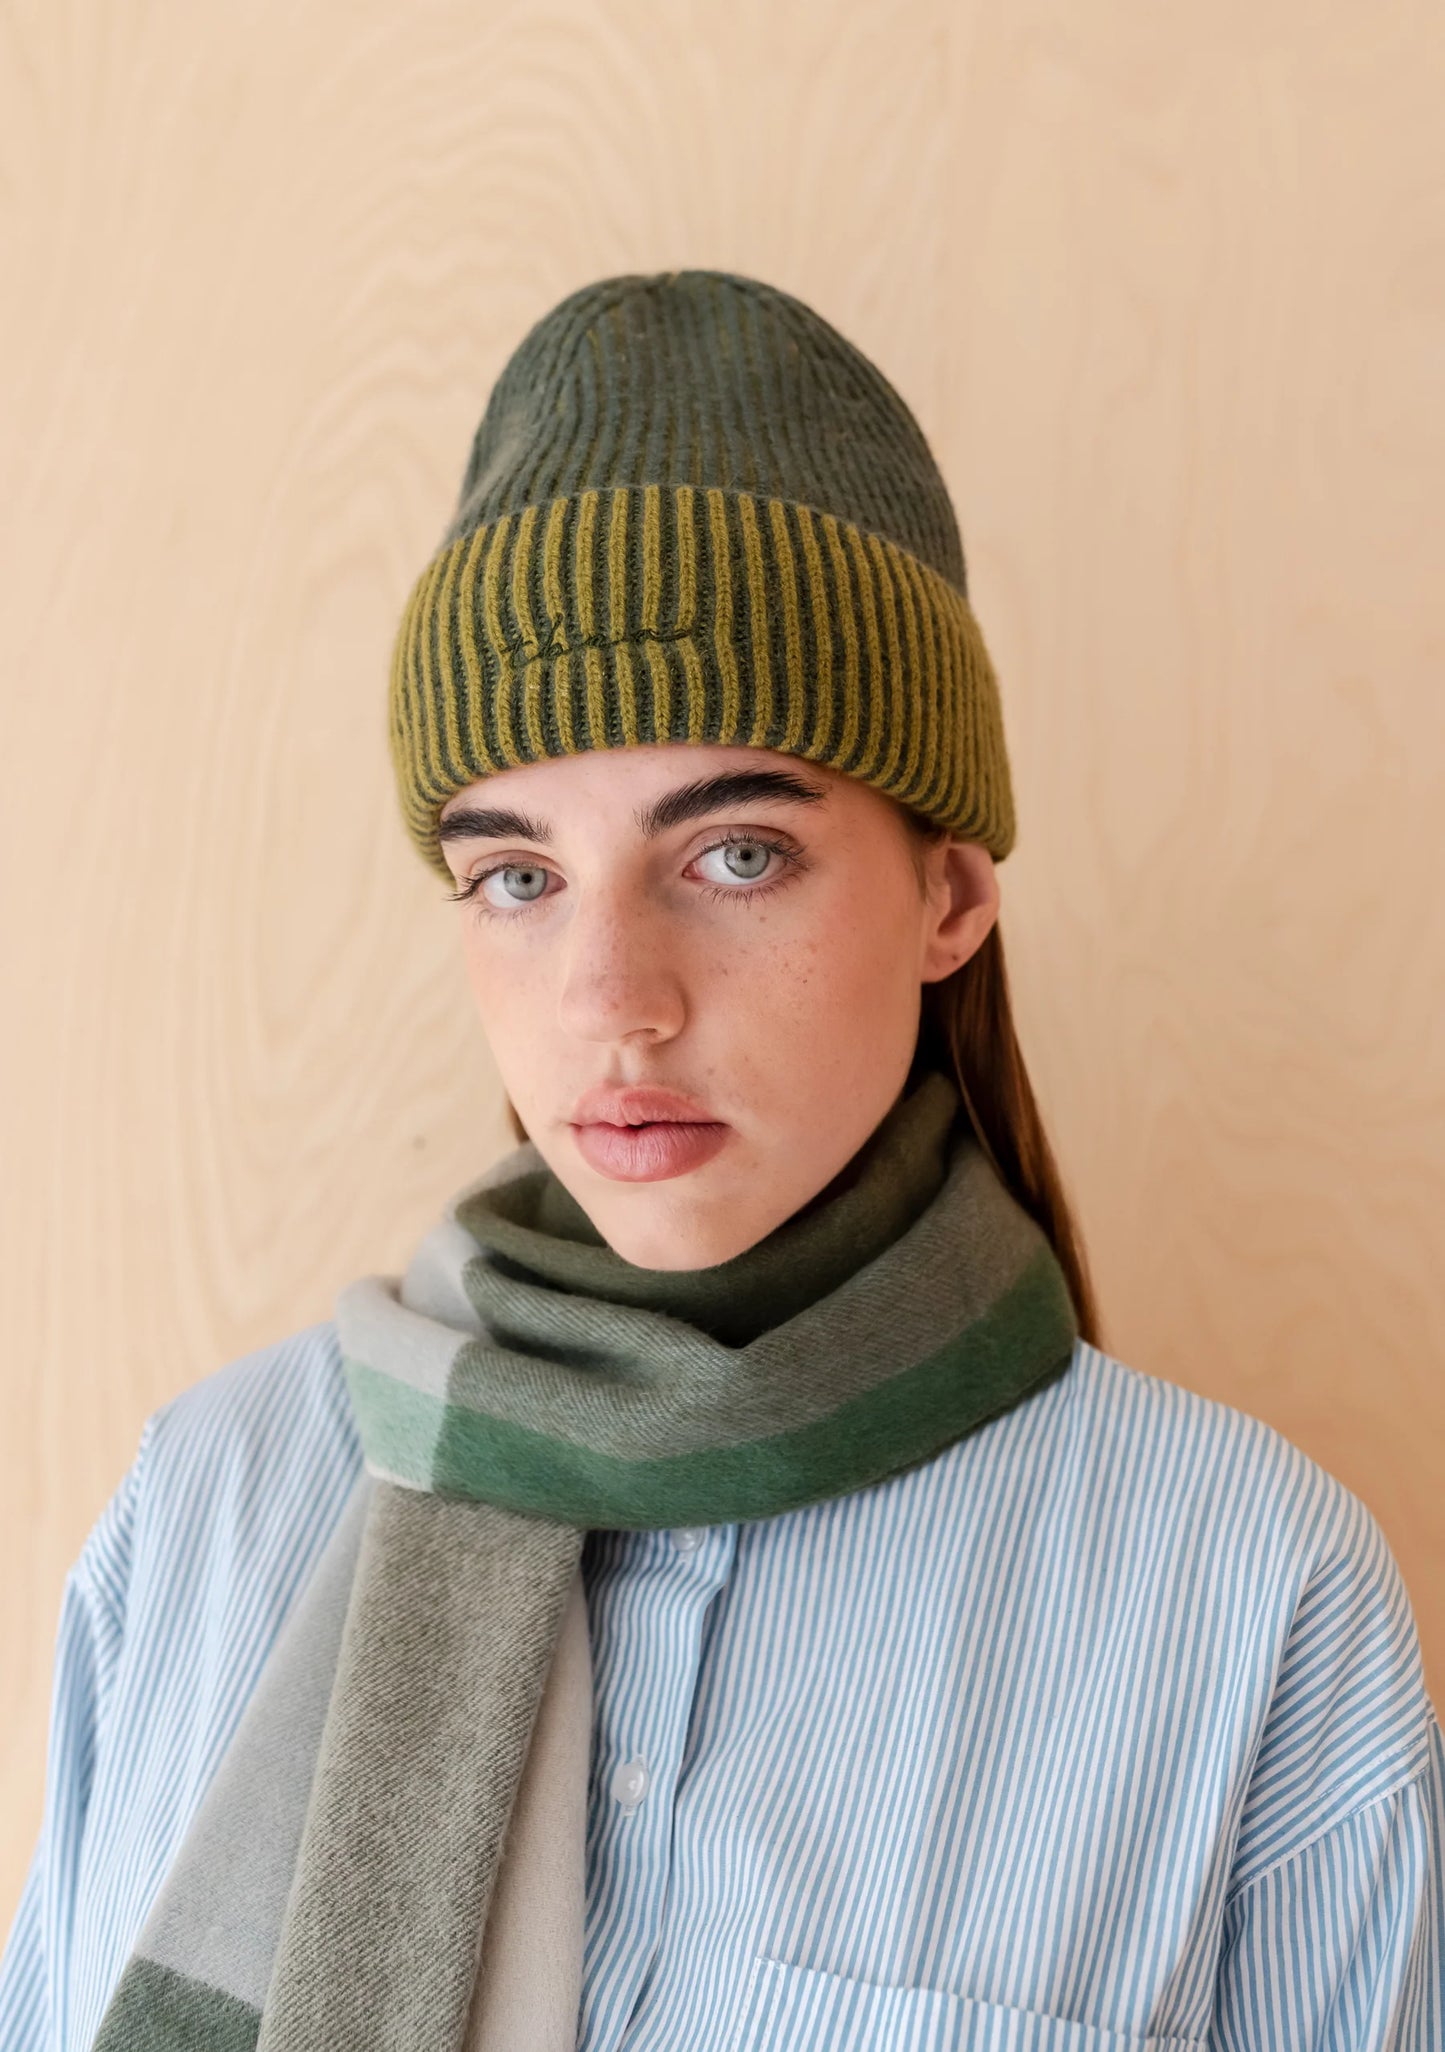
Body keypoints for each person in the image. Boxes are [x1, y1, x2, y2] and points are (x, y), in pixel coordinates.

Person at [1, 268, 1440, 2052]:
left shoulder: (1247, 1597)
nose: (613, 999)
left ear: (948, 895)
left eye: (736, 853)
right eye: (517, 875)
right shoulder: (204, 1512)